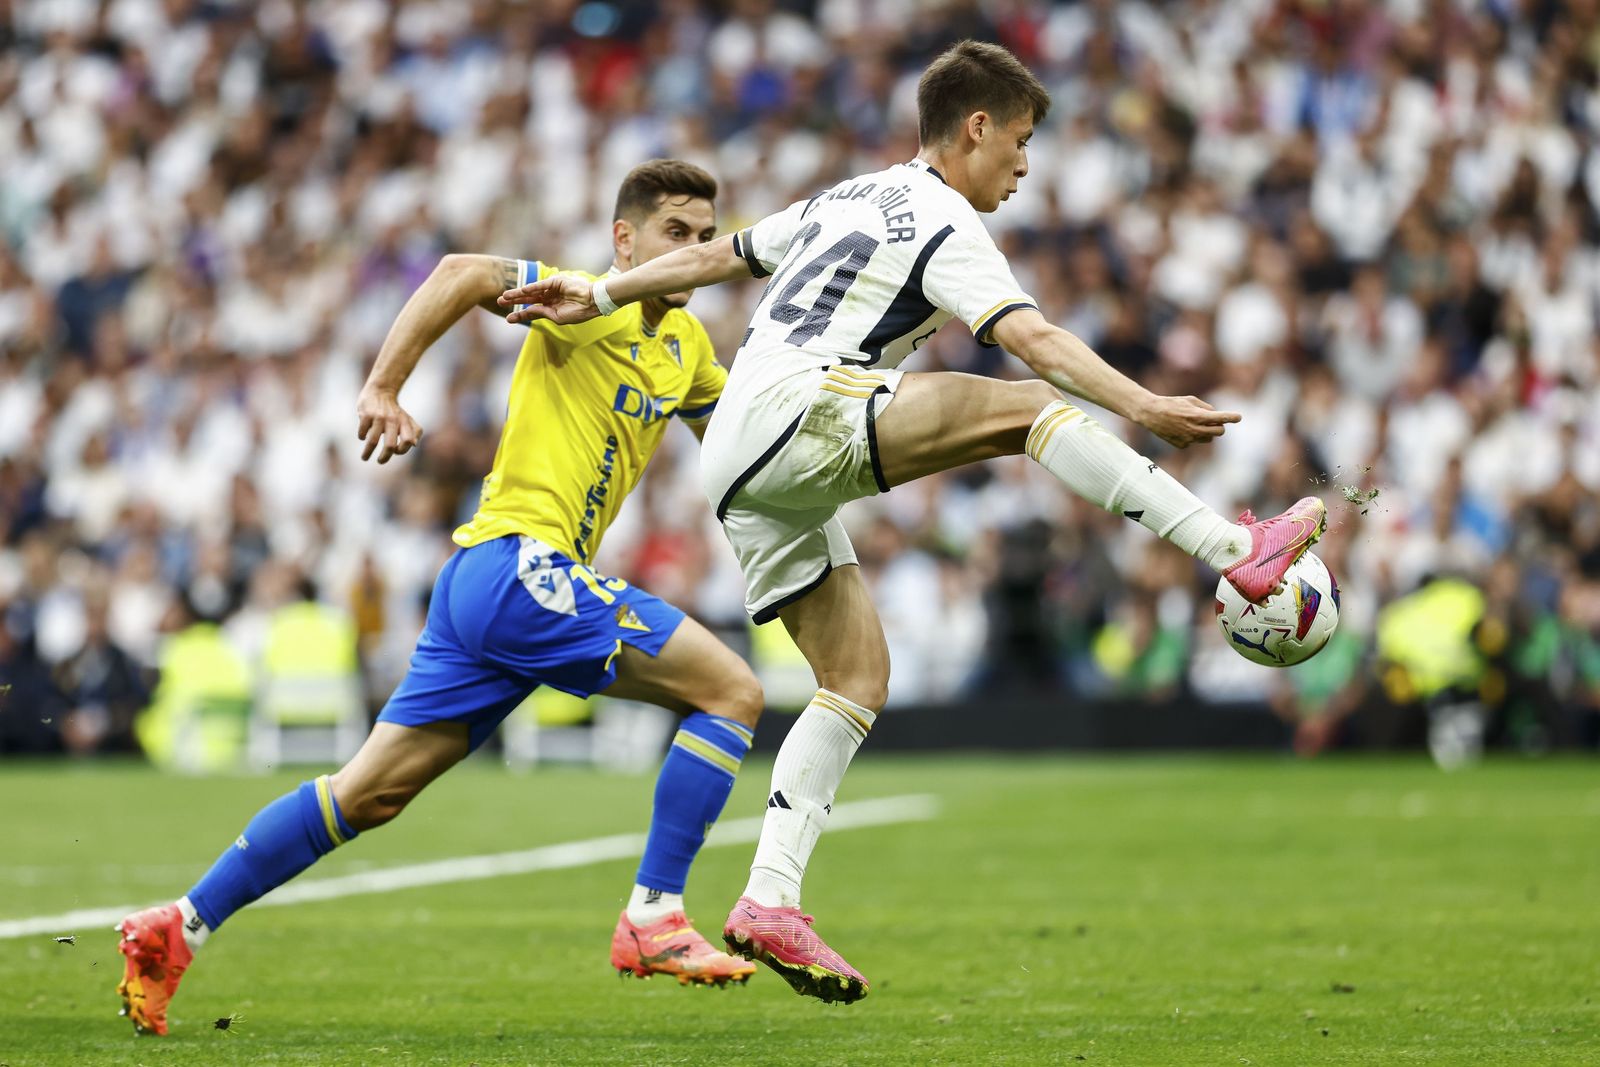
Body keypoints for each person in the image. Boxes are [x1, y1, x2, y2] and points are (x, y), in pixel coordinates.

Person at [501, 42, 1327, 1004]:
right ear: (974, 128)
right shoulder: (943, 220)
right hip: (795, 412)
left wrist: (600, 289)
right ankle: (1237, 551)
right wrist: (1144, 404)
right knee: (1024, 406)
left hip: (736, 451)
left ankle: (770, 896)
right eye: (1019, 142)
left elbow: (723, 257)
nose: (1024, 166)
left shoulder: (847, 195)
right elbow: (1036, 341)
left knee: (856, 679)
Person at [115, 160, 766, 1036]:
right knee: (732, 690)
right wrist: (384, 384)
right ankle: (654, 914)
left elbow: (746, 441)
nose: (690, 251)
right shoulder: (583, 297)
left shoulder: (686, 349)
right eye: (673, 233)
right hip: (519, 566)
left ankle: (178, 927)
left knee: (368, 794)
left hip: (484, 588)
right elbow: (462, 272)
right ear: (627, 239)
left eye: (702, 237)